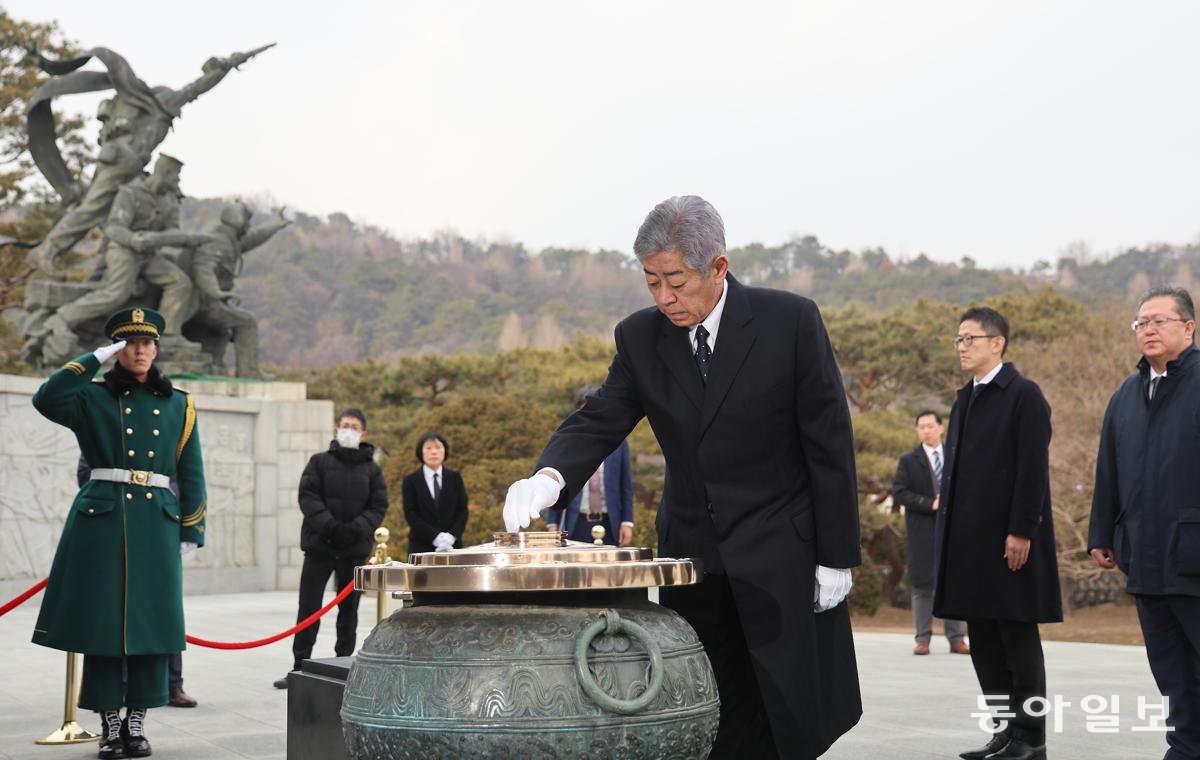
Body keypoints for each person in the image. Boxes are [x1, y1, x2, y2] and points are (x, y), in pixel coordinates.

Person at [502, 195, 861, 759]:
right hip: (694, 554)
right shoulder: (641, 337)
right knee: (704, 704)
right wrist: (549, 477)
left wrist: (837, 554)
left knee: (788, 708)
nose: (665, 297)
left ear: (718, 267)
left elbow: (830, 444)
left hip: (781, 550)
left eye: (676, 280)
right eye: (651, 282)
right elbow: (602, 416)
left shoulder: (789, 321)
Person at [31, 306, 206, 759]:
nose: (140, 350)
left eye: (147, 342)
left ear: (156, 348)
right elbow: (46, 399)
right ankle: (110, 724)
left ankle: (137, 725)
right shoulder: (91, 397)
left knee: (150, 628)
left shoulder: (179, 403)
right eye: (129, 343)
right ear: (117, 349)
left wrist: (191, 526)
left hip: (155, 522)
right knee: (106, 628)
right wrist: (91, 359)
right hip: (103, 521)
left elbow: (191, 470)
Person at [933, 307, 1062, 760]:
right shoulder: (964, 398)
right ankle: (1004, 731)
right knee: (984, 642)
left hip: (1010, 543)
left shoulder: (1024, 395)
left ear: (997, 343)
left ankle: (1032, 738)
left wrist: (1021, 530)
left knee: (1017, 640)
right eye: (959, 339)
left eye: (971, 338)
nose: (963, 346)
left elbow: (1032, 470)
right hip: (969, 547)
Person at [1089, 286, 1200, 759]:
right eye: (1141, 323)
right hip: (1145, 557)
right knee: (1170, 669)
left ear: (1189, 328)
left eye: (1160, 321)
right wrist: (1101, 534)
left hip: (1194, 556)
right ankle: (1184, 748)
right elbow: (1107, 471)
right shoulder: (1126, 395)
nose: (1148, 330)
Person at [39, 154, 211, 351]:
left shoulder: (169, 200)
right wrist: (132, 239)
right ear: (165, 173)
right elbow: (114, 228)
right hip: (123, 251)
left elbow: (172, 228)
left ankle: (169, 335)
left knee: (180, 282)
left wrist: (176, 238)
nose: (177, 180)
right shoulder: (130, 193)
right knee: (115, 294)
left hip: (148, 256)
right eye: (176, 176)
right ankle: (62, 318)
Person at [274, 408, 387, 689]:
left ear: (363, 434)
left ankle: (343, 664)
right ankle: (299, 665)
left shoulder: (373, 470)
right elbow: (308, 497)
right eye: (344, 425)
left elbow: (378, 506)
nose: (348, 429)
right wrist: (331, 526)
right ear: (336, 430)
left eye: (354, 426)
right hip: (320, 547)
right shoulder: (319, 462)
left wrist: (355, 529)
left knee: (349, 610)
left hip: (353, 549)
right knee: (308, 607)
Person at [76, 455, 196, 708]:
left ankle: (173, 684)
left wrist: (171, 512)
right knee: (115, 613)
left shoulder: (166, 426)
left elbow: (183, 475)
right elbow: (87, 472)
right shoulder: (104, 426)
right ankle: (118, 688)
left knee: (162, 611)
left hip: (158, 528)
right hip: (117, 530)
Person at [892, 410, 969, 656]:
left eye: (930, 426)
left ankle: (956, 638)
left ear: (940, 427)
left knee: (953, 582)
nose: (926, 430)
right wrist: (929, 503)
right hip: (922, 530)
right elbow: (900, 492)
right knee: (922, 585)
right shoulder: (908, 460)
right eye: (921, 427)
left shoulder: (955, 456)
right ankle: (923, 638)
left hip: (953, 529)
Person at [545, 385, 635, 547]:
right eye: (583, 411)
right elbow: (555, 485)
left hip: (610, 521)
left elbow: (626, 486)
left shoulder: (619, 442)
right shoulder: (569, 443)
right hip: (576, 521)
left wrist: (627, 522)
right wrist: (552, 523)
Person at [402, 431, 469, 556]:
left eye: (438, 447)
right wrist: (435, 537)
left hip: (452, 546)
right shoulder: (411, 480)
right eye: (428, 448)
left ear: (445, 451)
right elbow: (410, 513)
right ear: (421, 452)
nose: (433, 452)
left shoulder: (455, 478)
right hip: (421, 547)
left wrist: (451, 536)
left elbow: (462, 510)